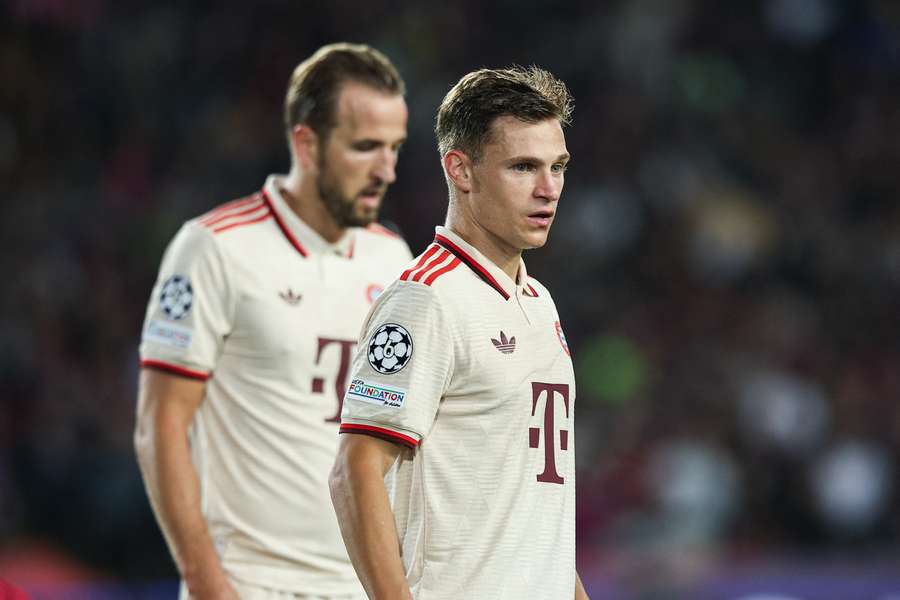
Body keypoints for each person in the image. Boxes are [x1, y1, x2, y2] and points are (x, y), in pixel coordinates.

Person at [134, 43, 412, 600]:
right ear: (306, 142)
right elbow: (160, 425)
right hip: (253, 583)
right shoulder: (215, 249)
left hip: (361, 584)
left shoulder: (395, 260)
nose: (387, 170)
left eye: (395, 148)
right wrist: (204, 579)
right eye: (365, 148)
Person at [330, 66, 590, 599]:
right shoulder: (426, 300)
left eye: (557, 167)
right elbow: (354, 474)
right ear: (461, 170)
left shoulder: (538, 304)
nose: (548, 190)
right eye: (523, 167)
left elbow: (536, 517)